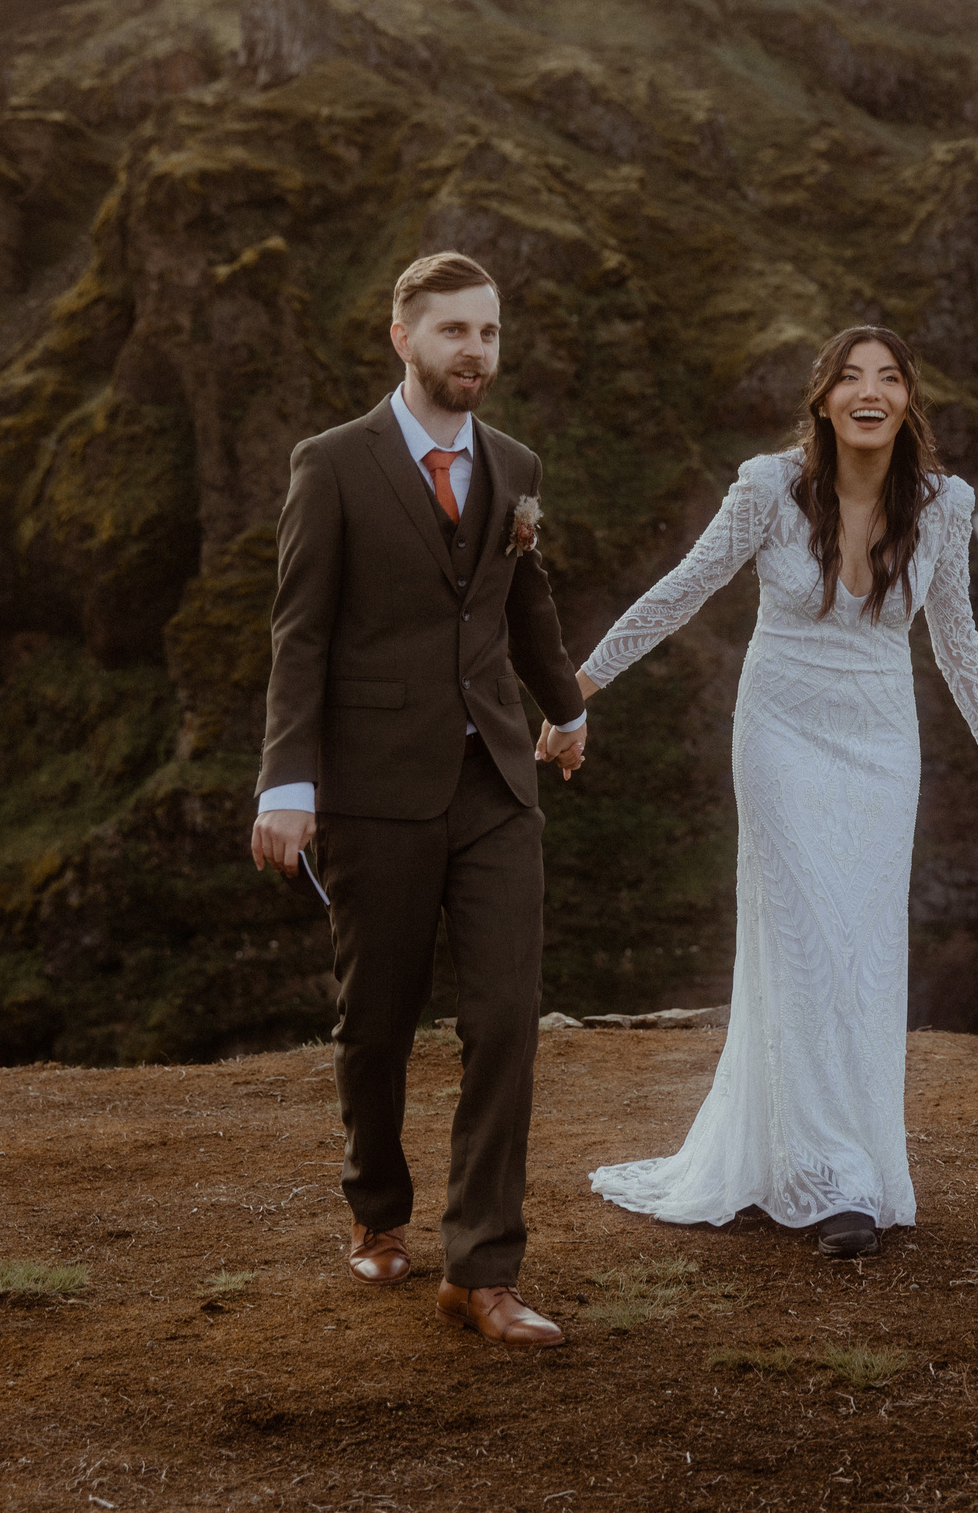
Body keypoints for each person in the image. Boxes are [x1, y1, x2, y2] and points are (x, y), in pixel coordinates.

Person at [576, 325, 978, 1257]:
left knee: (861, 945)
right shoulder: (766, 489)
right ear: (824, 399)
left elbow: (955, 637)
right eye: (850, 376)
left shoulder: (945, 505)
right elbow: (683, 591)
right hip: (781, 734)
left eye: (888, 378)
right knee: (802, 940)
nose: (868, 391)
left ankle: (844, 1152)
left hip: (881, 742)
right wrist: (577, 688)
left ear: (909, 399)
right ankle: (831, 1177)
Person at [249, 251, 590, 1347]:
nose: (474, 352)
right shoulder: (332, 465)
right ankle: (375, 1209)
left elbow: (518, 598)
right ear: (404, 339)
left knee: (502, 1023)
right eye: (453, 332)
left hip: (494, 780)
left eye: (487, 332)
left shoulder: (514, 464)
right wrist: (289, 784)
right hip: (373, 789)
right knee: (378, 1023)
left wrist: (565, 707)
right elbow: (298, 633)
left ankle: (482, 1269)